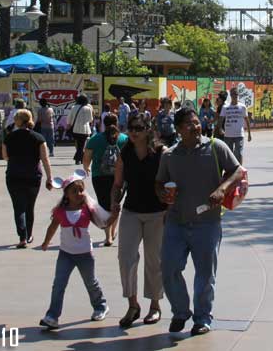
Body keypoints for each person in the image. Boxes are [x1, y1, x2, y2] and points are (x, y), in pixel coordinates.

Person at [156, 108, 244, 336]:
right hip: (176, 222)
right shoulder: (169, 155)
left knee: (205, 274)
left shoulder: (215, 147)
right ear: (178, 130)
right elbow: (159, 183)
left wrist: (222, 189)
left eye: (196, 123)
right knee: (168, 268)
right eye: (188, 124)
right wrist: (163, 195)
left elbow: (237, 171)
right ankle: (180, 312)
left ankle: (202, 318)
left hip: (207, 222)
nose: (195, 127)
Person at [106, 113, 166, 328]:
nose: (133, 132)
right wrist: (114, 202)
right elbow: (118, 183)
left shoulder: (161, 153)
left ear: (148, 129)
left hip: (157, 213)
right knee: (126, 257)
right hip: (131, 211)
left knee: (154, 260)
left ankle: (155, 306)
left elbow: (170, 182)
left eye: (138, 128)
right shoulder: (126, 152)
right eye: (130, 128)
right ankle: (133, 305)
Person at [38, 173, 110, 330]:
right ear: (66, 195)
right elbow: (52, 227)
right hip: (65, 254)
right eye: (74, 191)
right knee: (59, 284)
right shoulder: (60, 211)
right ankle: (52, 316)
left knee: (91, 282)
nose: (79, 194)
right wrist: (46, 242)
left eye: (81, 190)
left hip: (85, 254)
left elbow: (104, 221)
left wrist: (115, 213)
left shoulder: (87, 210)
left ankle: (101, 306)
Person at [1, 109, 54, 248]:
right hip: (33, 176)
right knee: (30, 207)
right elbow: (45, 159)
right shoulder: (38, 138)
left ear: (17, 121)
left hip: (14, 175)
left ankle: (22, 237)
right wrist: (50, 177)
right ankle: (29, 234)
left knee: (18, 208)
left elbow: (5, 156)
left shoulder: (9, 137)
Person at [83, 115, 128, 246]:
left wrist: (87, 168)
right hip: (119, 176)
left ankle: (107, 236)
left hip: (99, 176)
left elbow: (86, 159)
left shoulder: (95, 139)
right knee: (115, 203)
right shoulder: (124, 139)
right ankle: (113, 232)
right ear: (117, 123)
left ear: (103, 123)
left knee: (104, 205)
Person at [216, 88, 251, 162]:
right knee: (229, 154)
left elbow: (247, 120)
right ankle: (231, 171)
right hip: (228, 134)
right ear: (230, 95)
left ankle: (240, 170)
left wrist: (249, 134)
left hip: (239, 134)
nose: (234, 96)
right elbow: (221, 119)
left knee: (239, 153)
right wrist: (220, 129)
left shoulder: (242, 107)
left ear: (238, 95)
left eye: (236, 94)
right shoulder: (225, 107)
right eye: (233, 94)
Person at [70, 94, 95, 164]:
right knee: (82, 145)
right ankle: (79, 159)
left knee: (79, 144)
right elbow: (90, 119)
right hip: (85, 129)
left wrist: (71, 124)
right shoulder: (88, 108)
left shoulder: (73, 107)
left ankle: (78, 159)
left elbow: (69, 119)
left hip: (75, 129)